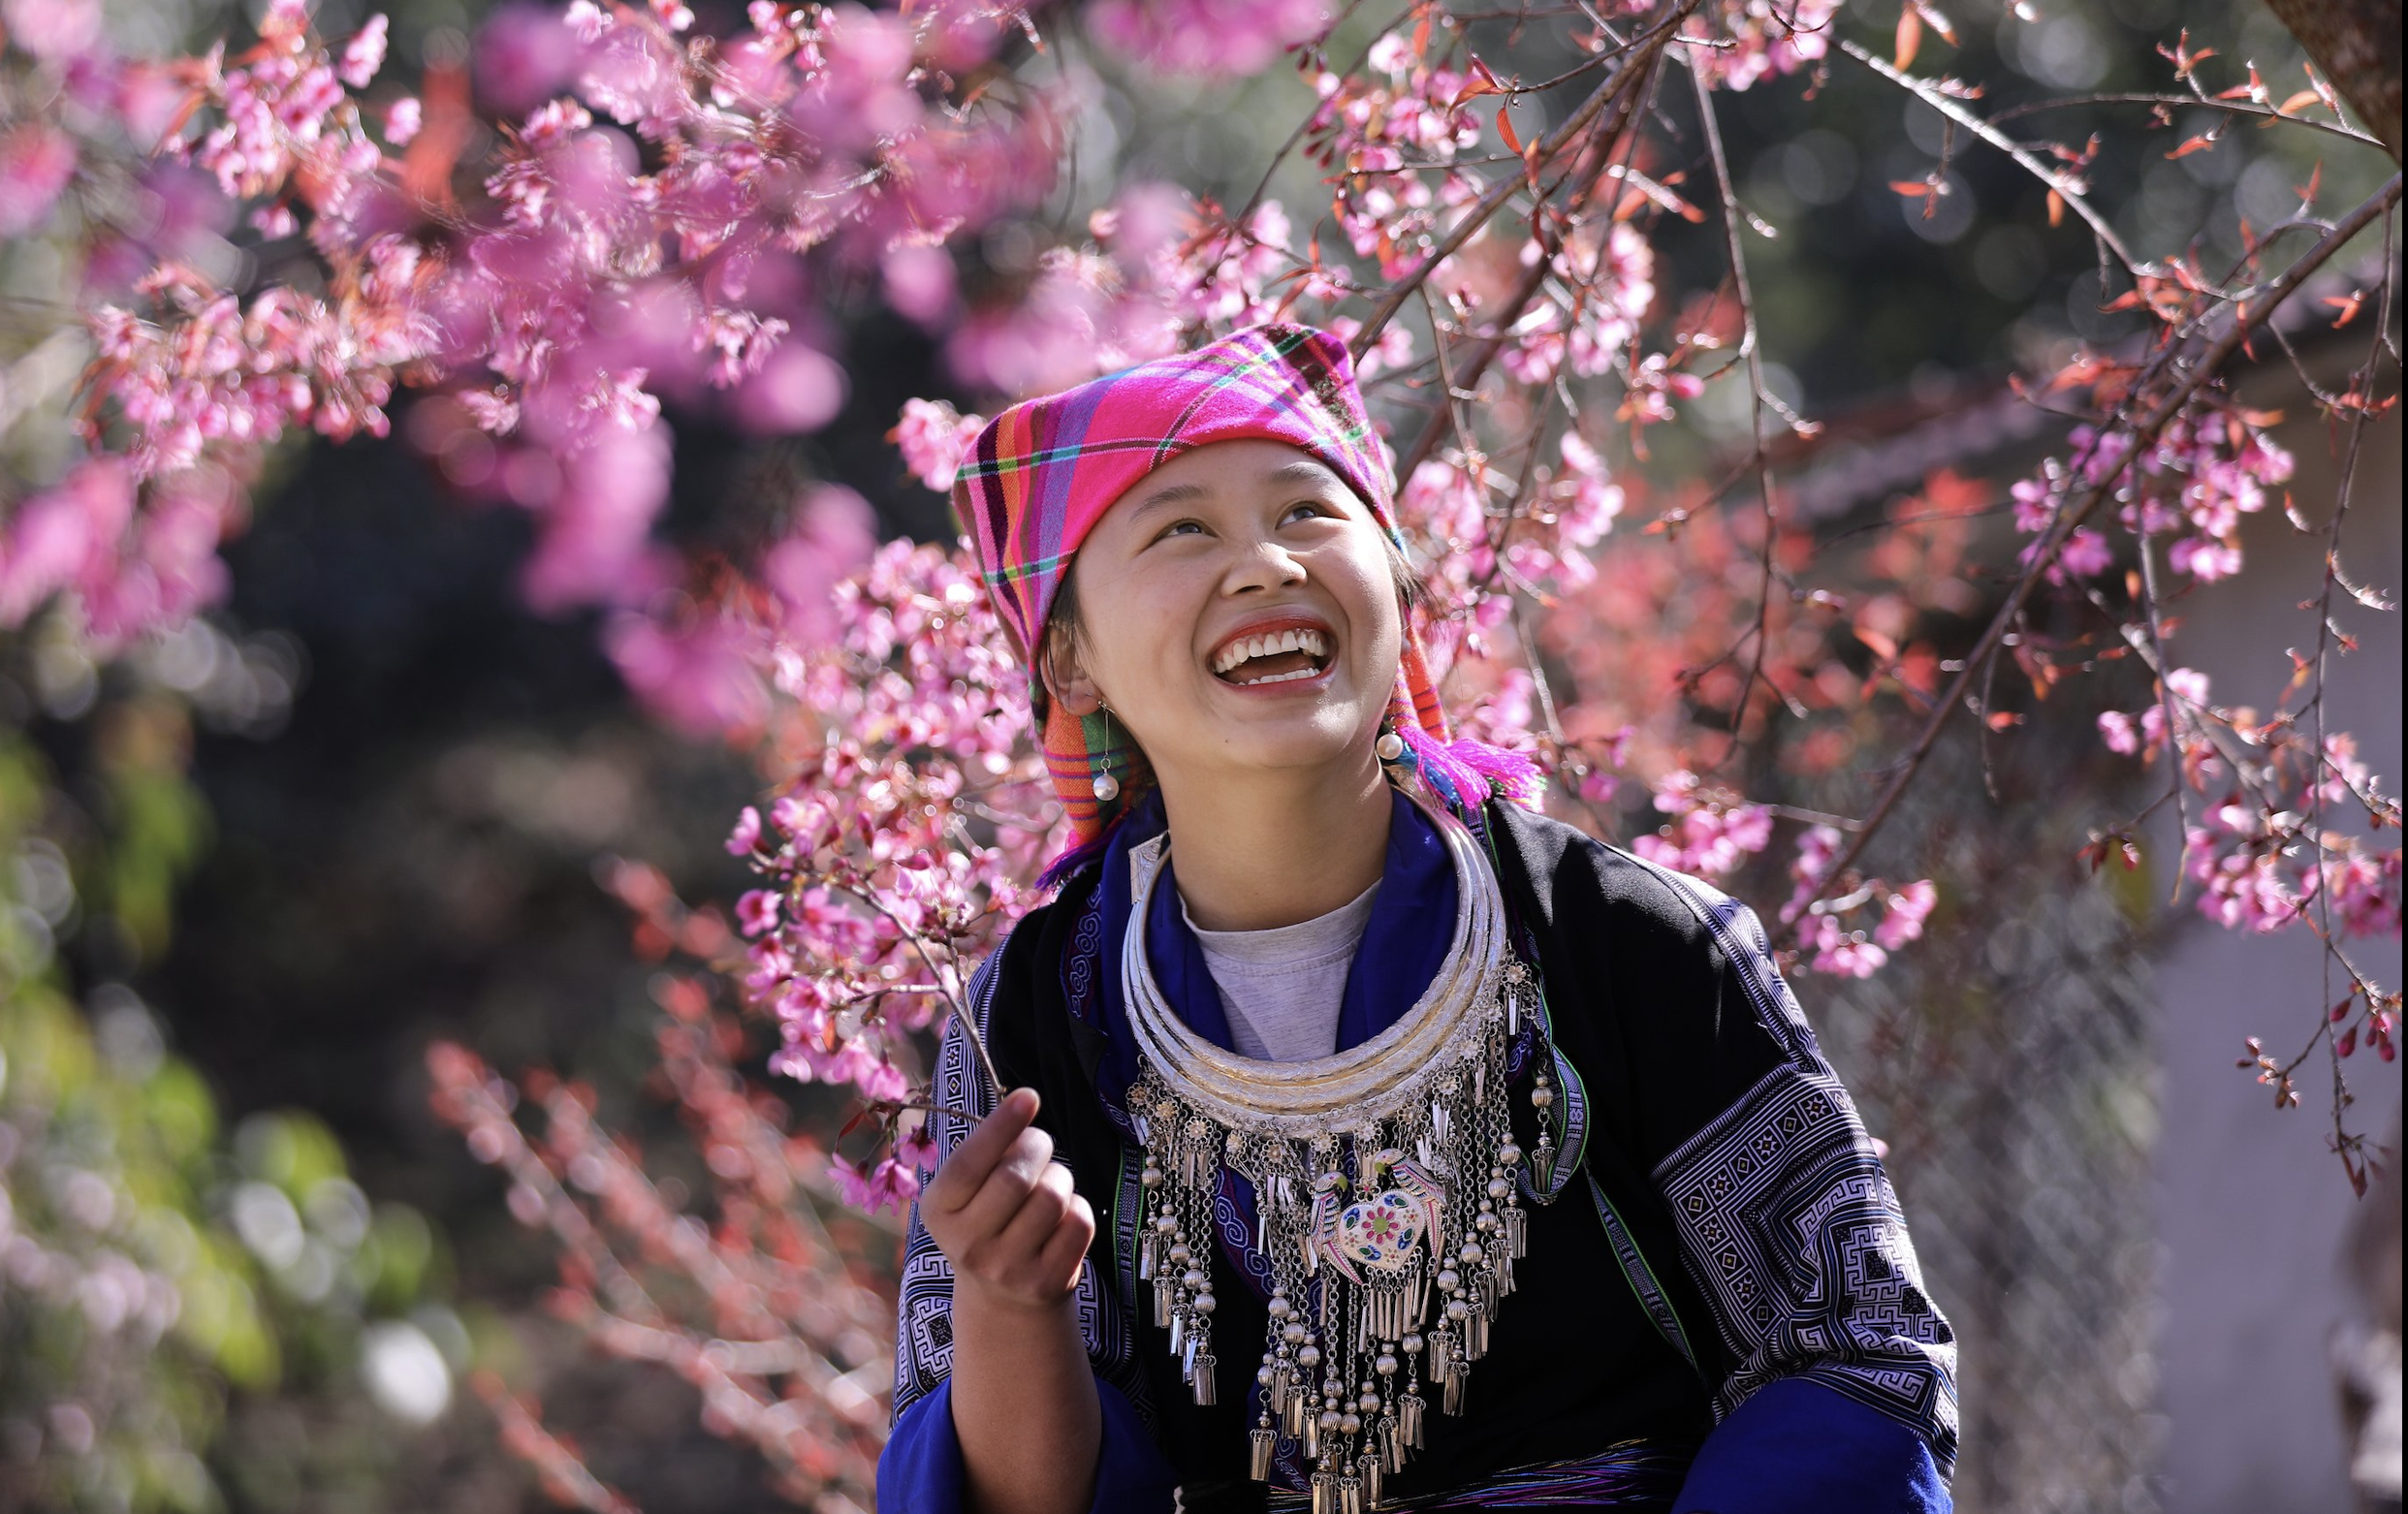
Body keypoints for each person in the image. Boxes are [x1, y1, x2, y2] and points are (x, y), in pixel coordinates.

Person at [876, 323, 1956, 1514]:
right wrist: (1010, 1301)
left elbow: (1856, 1355)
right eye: (1183, 527)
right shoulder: (1036, 1018)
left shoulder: (1630, 942)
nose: (1266, 565)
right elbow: (1027, 1497)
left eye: (1306, 514)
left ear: (1396, 582)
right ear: (1068, 657)